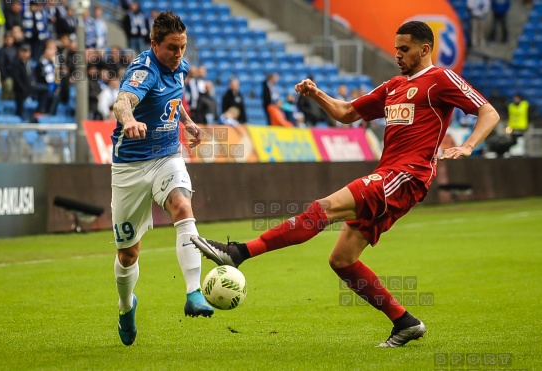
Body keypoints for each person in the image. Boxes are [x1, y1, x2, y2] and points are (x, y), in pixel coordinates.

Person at [190, 21, 500, 348]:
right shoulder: (393, 85)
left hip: (407, 175)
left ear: (425, 50)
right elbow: (348, 112)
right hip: (390, 175)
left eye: (404, 49)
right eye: (395, 48)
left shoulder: (439, 79)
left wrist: (468, 145)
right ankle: (405, 322)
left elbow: (488, 112)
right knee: (342, 259)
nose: (397, 54)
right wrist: (317, 93)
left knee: (323, 208)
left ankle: (237, 253)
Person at [110, 10, 210, 347]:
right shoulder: (144, 70)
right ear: (154, 44)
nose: (179, 54)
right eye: (171, 48)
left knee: (182, 205)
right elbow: (123, 102)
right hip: (130, 166)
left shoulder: (178, 65)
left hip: (167, 156)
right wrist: (128, 121)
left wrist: (188, 123)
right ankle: (127, 306)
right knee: (128, 254)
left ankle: (194, 292)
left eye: (183, 47)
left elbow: (173, 99)